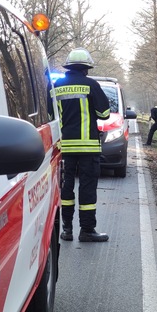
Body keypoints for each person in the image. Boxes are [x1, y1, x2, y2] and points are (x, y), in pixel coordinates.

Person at [53, 47, 111, 242]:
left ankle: (66, 230)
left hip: (64, 147)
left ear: (68, 67)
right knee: (86, 188)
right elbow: (104, 114)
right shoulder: (91, 85)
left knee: (66, 187)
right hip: (88, 148)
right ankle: (86, 230)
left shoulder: (56, 86)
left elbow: (50, 115)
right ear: (86, 68)